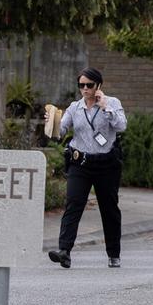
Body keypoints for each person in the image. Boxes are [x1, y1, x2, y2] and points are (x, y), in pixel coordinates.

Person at [47, 67, 127, 269]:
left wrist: (104, 107)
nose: (85, 89)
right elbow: (61, 130)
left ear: (98, 85)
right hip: (80, 163)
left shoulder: (113, 103)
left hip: (106, 165)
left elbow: (121, 126)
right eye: (81, 85)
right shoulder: (75, 107)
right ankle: (64, 251)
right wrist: (52, 124)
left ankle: (113, 253)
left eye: (89, 85)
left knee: (109, 208)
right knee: (73, 203)